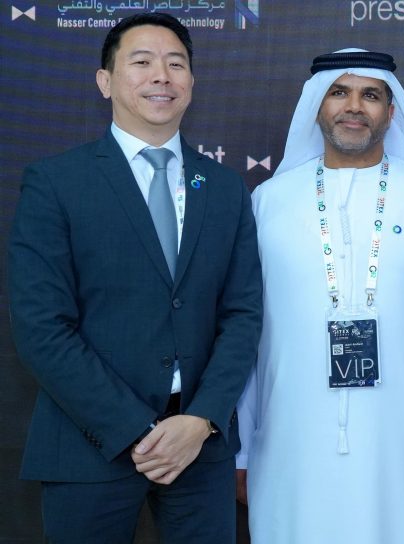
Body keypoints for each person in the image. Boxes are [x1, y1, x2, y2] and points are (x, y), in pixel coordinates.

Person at [8, 12, 262, 543]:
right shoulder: (57, 183)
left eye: (176, 64)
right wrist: (137, 429)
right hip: (89, 442)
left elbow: (242, 315)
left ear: (192, 82)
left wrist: (201, 419)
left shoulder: (224, 188)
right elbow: (41, 326)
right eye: (142, 62)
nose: (161, 76)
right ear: (105, 81)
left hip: (199, 447)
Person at [235, 49, 404, 543]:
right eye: (338, 93)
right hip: (288, 445)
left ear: (391, 112)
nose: (353, 106)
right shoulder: (268, 202)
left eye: (370, 95)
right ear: (315, 107)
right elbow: (244, 333)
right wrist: (240, 450)